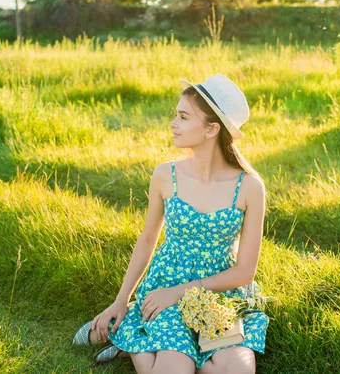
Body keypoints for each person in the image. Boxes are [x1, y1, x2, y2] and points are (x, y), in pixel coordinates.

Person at [72, 74, 269, 374]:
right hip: (165, 287)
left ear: (212, 129)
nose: (172, 124)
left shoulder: (249, 187)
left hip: (220, 294)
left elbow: (245, 272)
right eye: (176, 114)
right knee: (176, 368)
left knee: (237, 369)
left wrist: (183, 292)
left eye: (183, 116)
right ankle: (136, 333)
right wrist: (121, 300)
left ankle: (131, 341)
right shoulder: (166, 175)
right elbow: (148, 239)